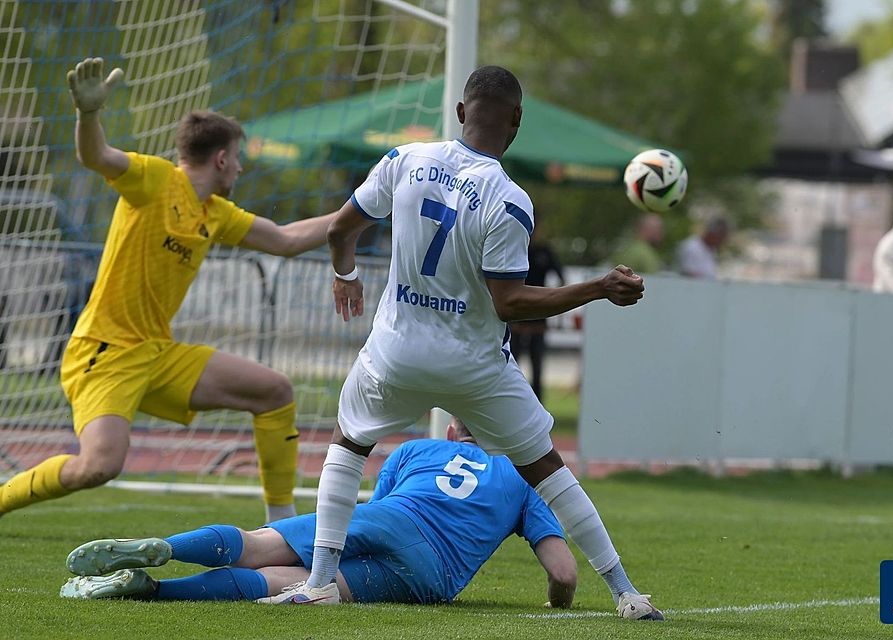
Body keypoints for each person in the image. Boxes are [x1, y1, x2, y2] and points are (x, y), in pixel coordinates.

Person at [263, 65, 663, 621]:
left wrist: (346, 275)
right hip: (473, 366)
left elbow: (338, 230)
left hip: (396, 351)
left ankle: (323, 580)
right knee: (546, 469)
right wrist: (597, 288)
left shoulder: (404, 160)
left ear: (459, 112)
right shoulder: (510, 198)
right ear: (516, 122)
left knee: (349, 443)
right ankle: (625, 593)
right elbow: (511, 303)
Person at [0, 58, 339, 523]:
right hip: (106, 353)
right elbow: (96, 156)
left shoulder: (215, 211)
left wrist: (363, 209)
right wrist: (88, 113)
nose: (240, 168)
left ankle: (281, 530)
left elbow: (286, 239)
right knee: (98, 467)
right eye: (237, 157)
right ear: (221, 158)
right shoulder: (156, 179)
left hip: (156, 353)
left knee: (274, 390)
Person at [60, 418, 578, 608]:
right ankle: (156, 593)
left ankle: (166, 550)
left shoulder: (416, 450)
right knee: (298, 583)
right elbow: (563, 573)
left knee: (262, 543)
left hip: (392, 517)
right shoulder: (525, 476)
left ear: (450, 432)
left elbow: (377, 514)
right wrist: (557, 604)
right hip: (430, 575)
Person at [509, 225, 564, 400]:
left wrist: (556, 308)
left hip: (538, 319)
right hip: (515, 317)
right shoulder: (515, 248)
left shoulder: (544, 252)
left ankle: (537, 404)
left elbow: (561, 278)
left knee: (537, 367)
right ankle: (511, 402)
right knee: (511, 365)